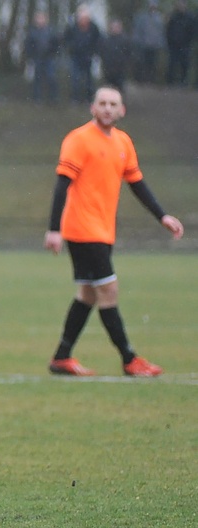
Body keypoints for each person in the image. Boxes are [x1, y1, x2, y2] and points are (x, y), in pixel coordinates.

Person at [43, 86, 184, 378]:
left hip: (103, 230)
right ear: (92, 108)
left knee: (88, 294)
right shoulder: (78, 139)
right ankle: (129, 360)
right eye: (102, 103)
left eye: (113, 104)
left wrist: (163, 216)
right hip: (82, 229)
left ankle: (61, 357)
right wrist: (54, 230)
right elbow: (61, 186)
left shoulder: (123, 142)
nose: (108, 108)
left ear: (122, 111)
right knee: (108, 290)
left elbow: (137, 184)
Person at [63, 5, 103, 103]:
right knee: (75, 79)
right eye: (81, 18)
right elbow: (66, 40)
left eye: (85, 18)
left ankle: (89, 99)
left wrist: (94, 53)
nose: (83, 20)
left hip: (88, 57)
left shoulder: (94, 28)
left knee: (89, 80)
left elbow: (98, 41)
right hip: (75, 57)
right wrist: (72, 48)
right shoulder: (72, 28)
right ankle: (75, 99)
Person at [24, 11, 61, 104]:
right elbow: (28, 45)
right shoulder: (32, 32)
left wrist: (53, 54)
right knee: (37, 79)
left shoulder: (51, 31)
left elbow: (56, 44)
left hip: (49, 58)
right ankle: (37, 99)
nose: (41, 21)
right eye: (39, 18)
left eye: (42, 18)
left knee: (51, 78)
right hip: (37, 58)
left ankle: (53, 98)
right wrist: (31, 56)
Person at [132, 0, 166, 83]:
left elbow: (161, 32)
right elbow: (137, 31)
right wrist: (137, 42)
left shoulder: (159, 18)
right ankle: (141, 81)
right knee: (143, 64)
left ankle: (151, 81)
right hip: (143, 45)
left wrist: (162, 44)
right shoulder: (141, 17)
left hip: (154, 46)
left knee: (153, 64)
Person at [165, 0, 195, 86]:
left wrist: (189, 42)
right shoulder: (174, 16)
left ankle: (183, 83)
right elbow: (168, 30)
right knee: (172, 64)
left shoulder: (190, 17)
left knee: (184, 65)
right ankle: (170, 83)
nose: (180, 6)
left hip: (185, 45)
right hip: (174, 45)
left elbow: (193, 31)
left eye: (182, 4)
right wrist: (170, 41)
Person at [101, 18, 133, 92]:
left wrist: (125, 64)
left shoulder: (125, 40)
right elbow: (102, 52)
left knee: (119, 89)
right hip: (108, 69)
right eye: (113, 26)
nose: (115, 28)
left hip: (120, 69)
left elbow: (129, 53)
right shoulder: (106, 39)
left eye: (117, 26)